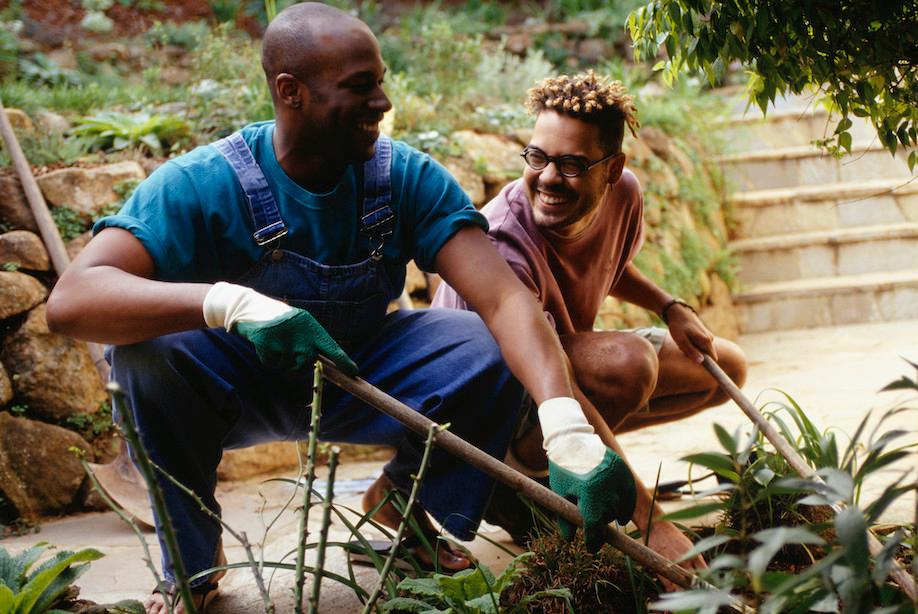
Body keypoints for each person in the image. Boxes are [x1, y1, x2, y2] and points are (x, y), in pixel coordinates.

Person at [47, 7, 638, 613]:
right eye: (359, 86)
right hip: (238, 383)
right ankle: (191, 566)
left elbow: (504, 297)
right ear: (290, 92)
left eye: (380, 81)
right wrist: (231, 303)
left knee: (485, 344)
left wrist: (566, 426)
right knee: (150, 352)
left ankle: (408, 511)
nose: (381, 101)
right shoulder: (202, 183)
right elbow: (72, 301)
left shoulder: (405, 178)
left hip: (359, 370)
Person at [433, 71, 748, 559]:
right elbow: (558, 384)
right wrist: (650, 521)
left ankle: (569, 474)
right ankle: (528, 486)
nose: (549, 178)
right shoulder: (503, 242)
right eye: (537, 157)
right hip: (496, 408)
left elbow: (608, 261)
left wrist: (669, 306)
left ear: (613, 168)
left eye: (573, 164)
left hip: (556, 363)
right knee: (629, 364)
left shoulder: (624, 195)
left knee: (723, 366)